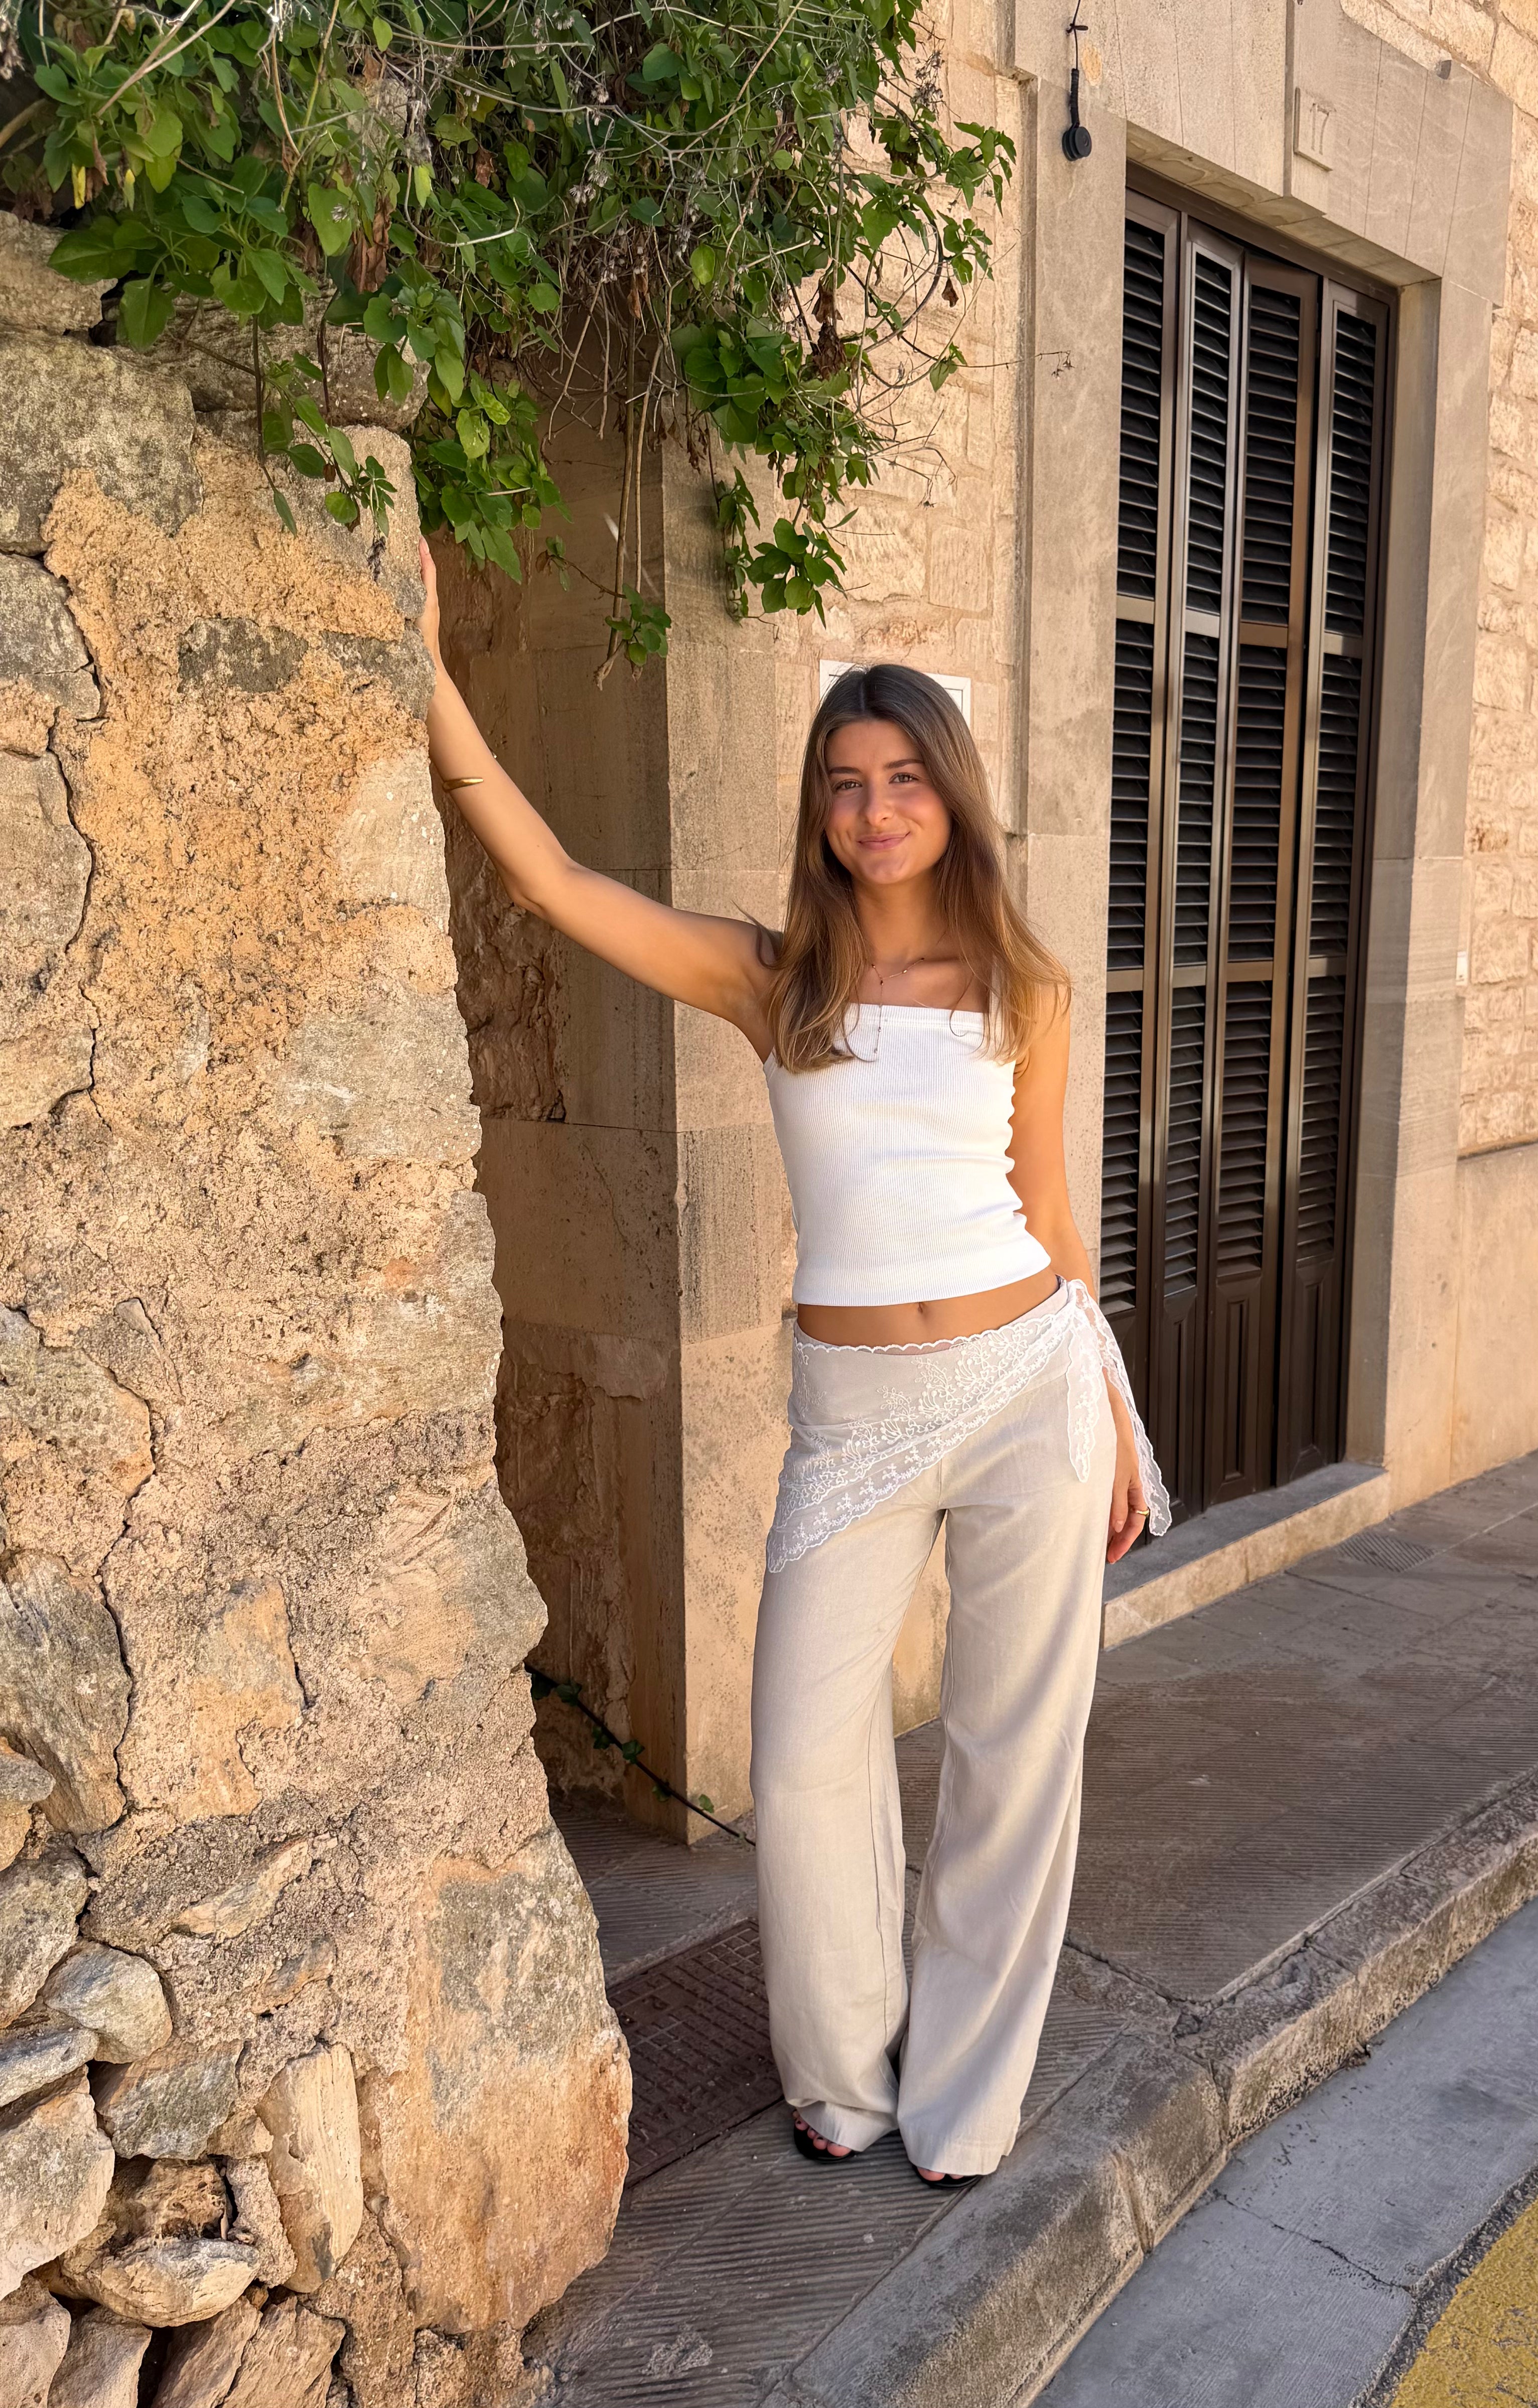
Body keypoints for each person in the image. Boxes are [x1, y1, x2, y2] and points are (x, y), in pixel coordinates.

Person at [418, 540, 1171, 2185]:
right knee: (807, 1754)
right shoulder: (777, 980)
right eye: (845, 782)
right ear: (818, 809)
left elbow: (1053, 1215)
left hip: (1029, 1386)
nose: (874, 809)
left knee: (1011, 1760)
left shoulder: (1024, 986)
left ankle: (966, 2099)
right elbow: (554, 885)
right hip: (854, 1421)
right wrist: (427, 668)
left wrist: (1115, 1411)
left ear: (950, 797)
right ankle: (842, 2075)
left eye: (903, 778)